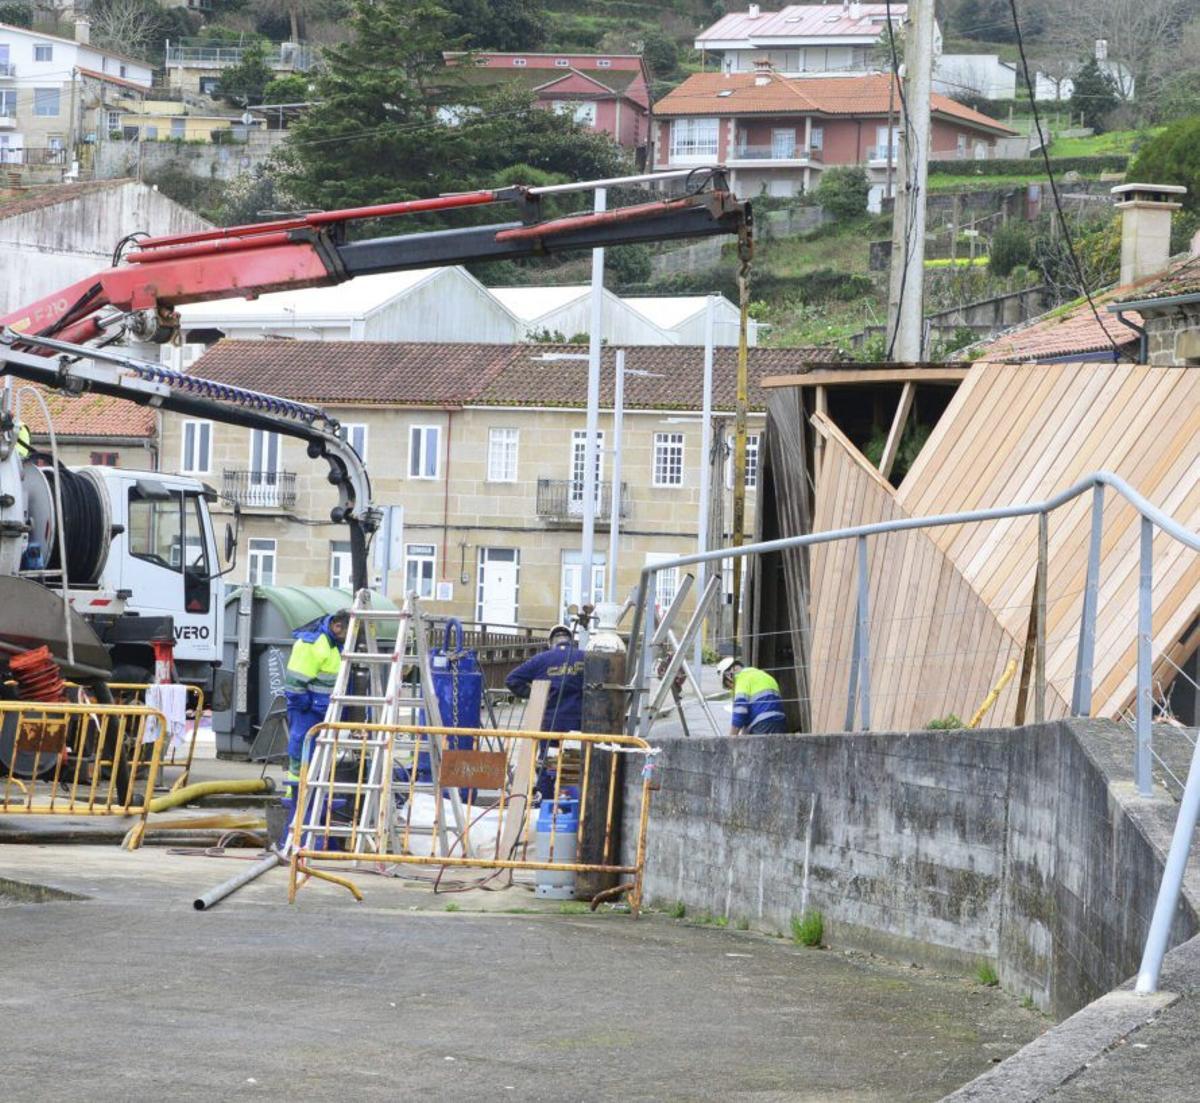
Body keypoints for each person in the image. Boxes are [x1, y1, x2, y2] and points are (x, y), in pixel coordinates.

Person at [506, 624, 585, 801]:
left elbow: (512, 680)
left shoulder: (541, 659)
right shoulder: (585, 658)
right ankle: (569, 806)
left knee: (548, 765)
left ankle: (547, 805)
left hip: (550, 722)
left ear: (551, 642)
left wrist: (537, 696)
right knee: (572, 765)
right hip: (578, 722)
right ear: (572, 641)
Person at [283, 609, 349, 799]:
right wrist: (307, 706)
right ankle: (296, 794)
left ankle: (309, 794)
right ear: (337, 627)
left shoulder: (334, 644)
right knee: (301, 750)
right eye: (348, 632)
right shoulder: (312, 644)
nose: (349, 638)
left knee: (316, 753)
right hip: (309, 710)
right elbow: (295, 685)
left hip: (321, 709)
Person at [717, 657, 788, 736]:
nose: (731, 688)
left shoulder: (742, 678)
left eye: (728, 685)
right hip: (780, 722)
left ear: (729, 675)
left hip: (761, 725)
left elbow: (740, 712)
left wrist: (730, 739)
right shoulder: (763, 675)